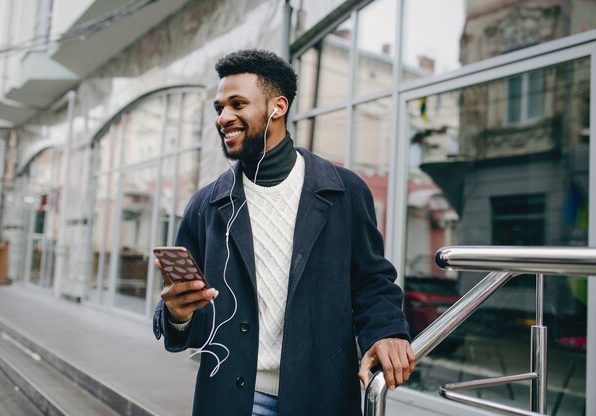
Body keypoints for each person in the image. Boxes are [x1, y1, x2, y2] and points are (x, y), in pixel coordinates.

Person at [153, 49, 415, 416]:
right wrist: (177, 314)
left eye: (238, 104)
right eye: (219, 108)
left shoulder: (344, 191)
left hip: (321, 397)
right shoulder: (205, 206)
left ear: (277, 107)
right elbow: (185, 321)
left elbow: (372, 280)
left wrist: (388, 330)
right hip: (231, 400)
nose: (224, 117)